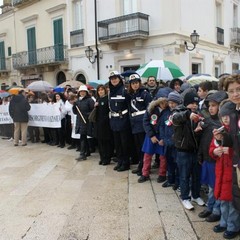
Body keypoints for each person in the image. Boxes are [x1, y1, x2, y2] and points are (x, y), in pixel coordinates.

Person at [209, 102, 240, 239]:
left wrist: (231, 151)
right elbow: (211, 149)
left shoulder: (235, 132)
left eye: (228, 116)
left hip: (232, 173)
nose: (226, 119)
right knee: (223, 201)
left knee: (233, 203)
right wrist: (215, 151)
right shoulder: (220, 130)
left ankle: (233, 227)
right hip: (220, 172)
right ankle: (224, 222)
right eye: (223, 116)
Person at [197, 91, 228, 222]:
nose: (210, 108)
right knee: (210, 187)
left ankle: (216, 211)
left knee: (217, 187)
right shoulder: (207, 121)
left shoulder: (222, 126)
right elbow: (203, 141)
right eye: (209, 105)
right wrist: (200, 154)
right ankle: (210, 207)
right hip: (207, 159)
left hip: (218, 162)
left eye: (214, 105)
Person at [172, 91, 205, 210]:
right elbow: (175, 119)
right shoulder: (178, 112)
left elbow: (197, 133)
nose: (194, 105)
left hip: (195, 150)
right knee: (184, 176)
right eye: (191, 103)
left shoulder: (198, 114)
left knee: (196, 175)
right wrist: (187, 114)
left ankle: (195, 195)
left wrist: (199, 129)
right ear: (186, 103)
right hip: (183, 150)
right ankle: (185, 197)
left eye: (196, 103)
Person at [127, 74, 152, 175]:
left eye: (136, 83)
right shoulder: (131, 94)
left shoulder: (145, 94)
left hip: (142, 123)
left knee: (143, 146)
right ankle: (140, 165)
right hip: (134, 123)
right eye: (133, 83)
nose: (135, 85)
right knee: (137, 146)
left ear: (140, 83)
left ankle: (145, 167)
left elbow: (149, 109)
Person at [138, 97, 168, 183]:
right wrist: (151, 135)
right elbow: (146, 122)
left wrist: (164, 137)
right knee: (147, 155)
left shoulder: (168, 111)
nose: (164, 104)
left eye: (166, 102)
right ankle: (145, 173)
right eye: (162, 102)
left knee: (163, 156)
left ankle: (162, 174)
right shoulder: (151, 109)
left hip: (162, 136)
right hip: (151, 135)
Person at [108, 71, 131, 172]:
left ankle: (126, 163)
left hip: (123, 119)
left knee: (124, 143)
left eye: (115, 78)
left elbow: (129, 106)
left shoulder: (124, 91)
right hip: (114, 120)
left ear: (119, 79)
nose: (114, 80)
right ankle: (120, 161)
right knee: (117, 143)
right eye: (112, 78)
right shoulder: (110, 92)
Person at [159, 91, 182, 189]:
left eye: (174, 103)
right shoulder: (166, 112)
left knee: (177, 163)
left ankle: (177, 181)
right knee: (169, 162)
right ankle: (170, 179)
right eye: (170, 102)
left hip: (176, 143)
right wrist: (163, 138)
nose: (171, 105)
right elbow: (161, 126)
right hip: (167, 142)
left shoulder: (180, 112)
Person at [73, 85, 95, 161]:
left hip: (87, 121)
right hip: (80, 121)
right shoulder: (78, 101)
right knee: (83, 137)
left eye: (83, 91)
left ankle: (82, 154)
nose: (82, 93)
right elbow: (75, 112)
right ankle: (87, 152)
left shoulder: (90, 100)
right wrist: (74, 106)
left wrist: (86, 114)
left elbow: (93, 111)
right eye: (81, 91)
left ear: (86, 92)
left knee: (83, 137)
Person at [94, 84, 113, 165]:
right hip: (98, 124)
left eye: (102, 90)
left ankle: (107, 158)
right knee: (100, 142)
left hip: (106, 124)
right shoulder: (97, 100)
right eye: (99, 90)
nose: (100, 91)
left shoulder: (107, 99)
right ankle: (102, 157)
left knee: (106, 142)